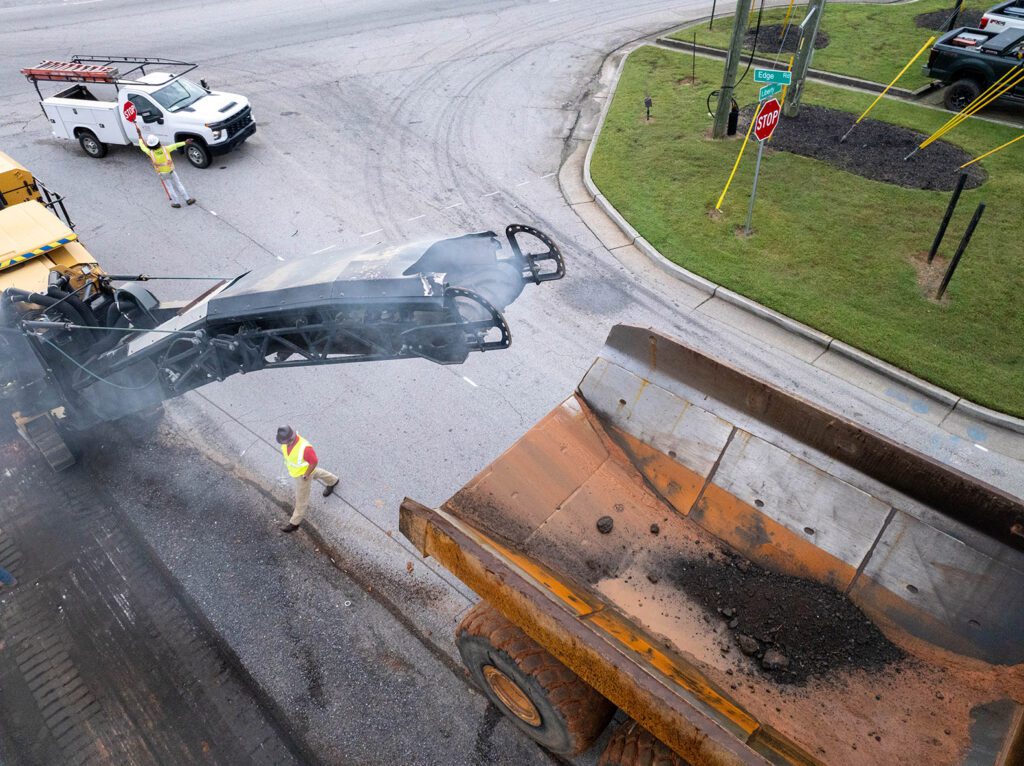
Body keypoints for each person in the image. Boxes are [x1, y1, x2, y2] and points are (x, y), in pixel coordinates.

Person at [276, 425, 339, 534]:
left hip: (303, 475)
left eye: (284, 441)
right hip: (299, 472)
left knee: (301, 499)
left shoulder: (305, 448)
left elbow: (314, 462)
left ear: (290, 439)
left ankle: (294, 523)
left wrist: (306, 475)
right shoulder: (286, 444)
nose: (283, 443)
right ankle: (333, 480)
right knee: (316, 472)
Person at [138, 134, 196, 208]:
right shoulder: (166, 149)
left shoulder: (150, 152)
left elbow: (142, 147)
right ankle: (188, 199)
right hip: (171, 171)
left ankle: (176, 203)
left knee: (170, 188)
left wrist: (140, 137)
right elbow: (176, 145)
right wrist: (185, 142)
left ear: (149, 146)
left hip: (162, 174)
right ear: (158, 142)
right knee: (178, 184)